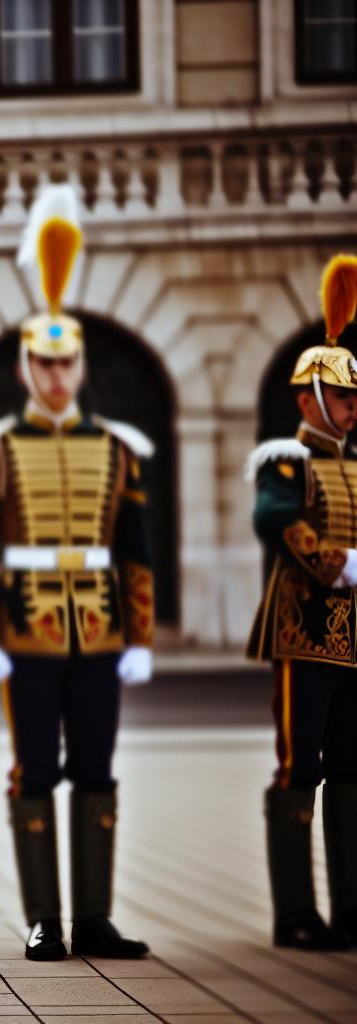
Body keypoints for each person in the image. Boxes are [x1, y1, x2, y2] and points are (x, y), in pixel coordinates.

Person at [0, 186, 155, 962]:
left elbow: (134, 547)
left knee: (96, 766)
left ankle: (94, 915)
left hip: (98, 626)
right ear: (28, 368)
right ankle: (45, 918)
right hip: (26, 627)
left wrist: (140, 632)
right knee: (35, 767)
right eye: (45, 363)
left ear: (79, 366)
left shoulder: (117, 449)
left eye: (68, 364)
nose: (58, 377)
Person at [243, 253, 357, 951]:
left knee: (351, 764)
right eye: (343, 398)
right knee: (301, 765)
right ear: (308, 399)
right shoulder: (287, 460)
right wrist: (336, 564)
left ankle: (350, 908)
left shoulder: (353, 463)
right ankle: (294, 912)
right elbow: (274, 519)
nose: (352, 409)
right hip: (305, 628)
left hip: (355, 635)